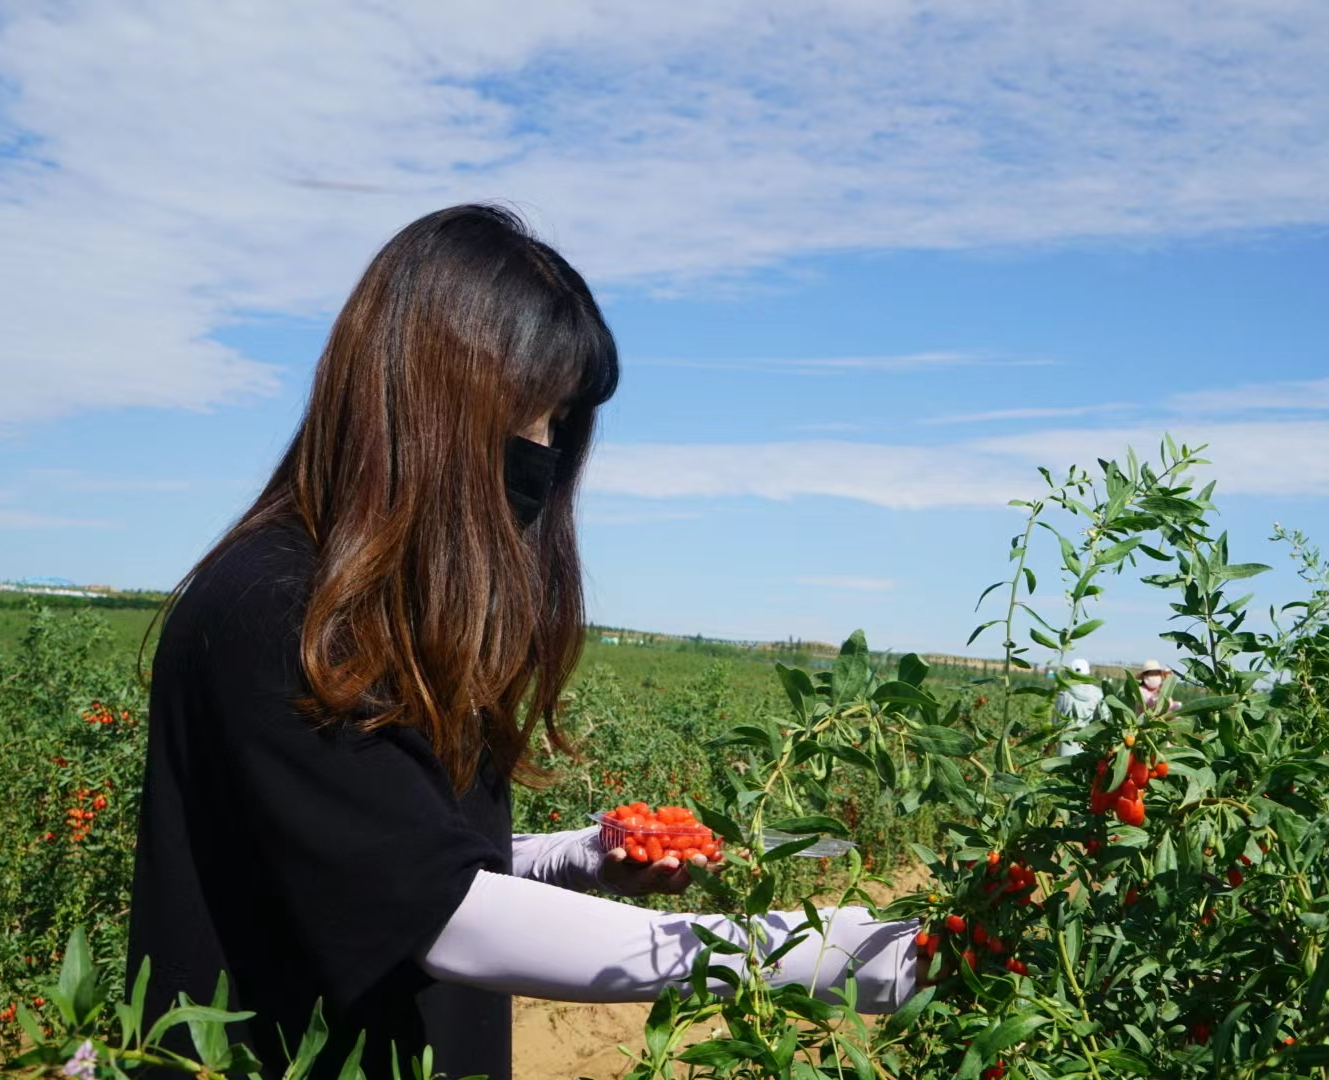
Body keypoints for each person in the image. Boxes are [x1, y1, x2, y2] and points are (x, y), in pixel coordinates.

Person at [127, 205, 919, 1080]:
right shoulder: (277, 613)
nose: (542, 454)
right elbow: (440, 913)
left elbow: (373, 856)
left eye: (560, 422)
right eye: (525, 419)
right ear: (421, 404)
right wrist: (790, 955)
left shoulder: (375, 611)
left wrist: (567, 857)